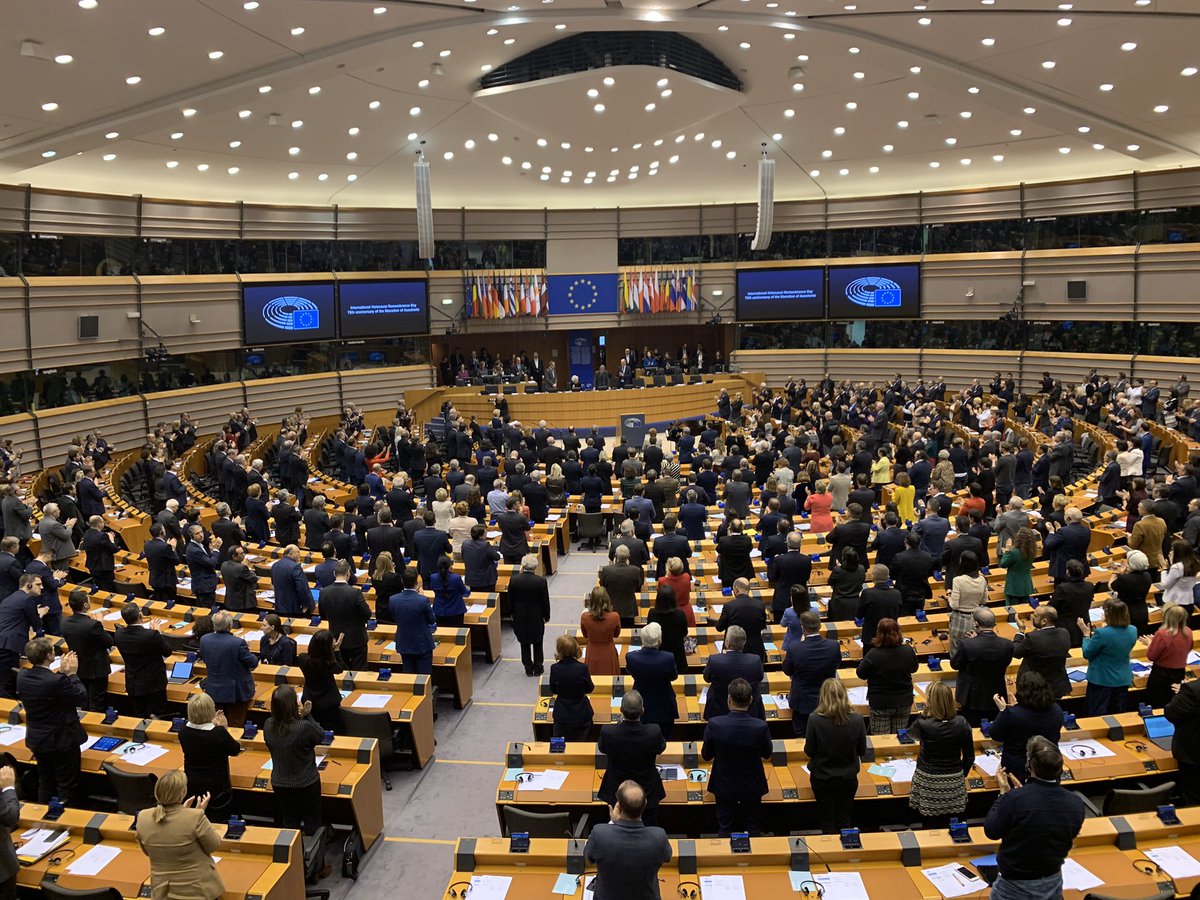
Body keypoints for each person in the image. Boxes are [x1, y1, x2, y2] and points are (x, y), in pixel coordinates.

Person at [984, 737, 1085, 900]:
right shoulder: (1076, 803)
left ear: (1030, 765)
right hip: (1052, 884)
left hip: (1013, 887)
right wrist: (1022, 796)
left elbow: (991, 831)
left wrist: (1004, 795)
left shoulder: (1014, 800)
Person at [135, 769, 225, 900]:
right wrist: (196, 814)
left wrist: (187, 813)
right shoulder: (196, 817)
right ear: (182, 792)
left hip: (163, 892)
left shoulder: (143, 817)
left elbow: (148, 851)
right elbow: (213, 845)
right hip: (198, 891)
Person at [17, 637, 87, 803]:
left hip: (38, 738)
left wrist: (63, 674)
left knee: (46, 781)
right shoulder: (56, 681)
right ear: (49, 656)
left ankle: (44, 813)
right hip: (61, 740)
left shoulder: (22, 676)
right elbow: (80, 696)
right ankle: (63, 815)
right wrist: (71, 674)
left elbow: (51, 688)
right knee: (66, 783)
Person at [701, 677, 773, 836]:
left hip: (724, 784)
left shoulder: (715, 724)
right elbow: (767, 754)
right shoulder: (760, 726)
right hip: (752, 784)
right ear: (751, 700)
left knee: (725, 827)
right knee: (753, 827)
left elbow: (706, 756)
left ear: (729, 699)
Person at [583, 780, 672, 900]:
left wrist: (613, 822)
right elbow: (667, 857)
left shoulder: (600, 834)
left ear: (618, 806)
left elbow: (588, 858)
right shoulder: (659, 837)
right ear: (645, 803)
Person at [804, 678, 866, 834]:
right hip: (848, 778)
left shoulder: (814, 719)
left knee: (827, 820)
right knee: (845, 818)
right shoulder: (857, 719)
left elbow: (809, 751)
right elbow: (862, 750)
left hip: (822, 778)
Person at [907, 681, 973, 825]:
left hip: (928, 779)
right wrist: (961, 774)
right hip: (954, 778)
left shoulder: (923, 723)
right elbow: (969, 757)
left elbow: (911, 735)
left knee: (930, 825)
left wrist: (924, 714)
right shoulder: (962, 722)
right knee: (954, 821)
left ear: (930, 701)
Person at [597, 691, 667, 825]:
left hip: (616, 792)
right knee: (648, 827)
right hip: (647, 791)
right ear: (642, 711)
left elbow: (602, 748)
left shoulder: (609, 732)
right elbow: (661, 748)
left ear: (621, 710)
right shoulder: (653, 732)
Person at [263, 685, 325, 835]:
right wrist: (307, 715)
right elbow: (320, 735)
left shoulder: (267, 725)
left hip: (280, 782)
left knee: (289, 821)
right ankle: (314, 849)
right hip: (306, 782)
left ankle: (292, 849)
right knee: (312, 821)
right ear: (292, 705)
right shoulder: (303, 727)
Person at [178, 692, 242, 823]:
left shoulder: (183, 732)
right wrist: (223, 728)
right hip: (218, 790)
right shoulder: (218, 733)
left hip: (192, 786)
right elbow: (235, 749)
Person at [988, 671, 1063, 782]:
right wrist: (1014, 708)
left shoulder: (1012, 715)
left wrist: (1003, 711)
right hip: (1049, 766)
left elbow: (995, 734)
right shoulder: (1056, 710)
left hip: (1018, 771)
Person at [949, 607, 1014, 726]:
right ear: (994, 624)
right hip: (996, 696)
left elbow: (955, 665)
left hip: (972, 697)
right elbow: (1006, 662)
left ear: (976, 624)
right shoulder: (1007, 644)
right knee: (995, 727)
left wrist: (973, 641)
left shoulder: (967, 644)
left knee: (972, 729)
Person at [856, 618, 918, 734]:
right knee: (898, 738)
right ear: (898, 633)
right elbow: (914, 669)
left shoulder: (873, 654)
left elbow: (861, 674)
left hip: (881, 704)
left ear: (879, 634)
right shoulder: (908, 650)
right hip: (903, 702)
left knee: (881, 739)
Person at [198, 611, 259, 727]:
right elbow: (253, 663)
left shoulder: (204, 640)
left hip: (213, 691)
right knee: (234, 726)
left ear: (214, 625)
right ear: (230, 625)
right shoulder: (238, 643)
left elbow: (205, 658)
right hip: (236, 693)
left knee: (216, 724)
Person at [1080, 598, 1137, 715]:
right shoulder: (1132, 630)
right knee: (1119, 714)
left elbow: (1087, 653)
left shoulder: (1101, 633)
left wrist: (1086, 635)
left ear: (1107, 614)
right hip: (1122, 679)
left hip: (1102, 680)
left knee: (1098, 715)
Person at [115, 604, 171, 718]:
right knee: (157, 717)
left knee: (140, 718)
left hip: (133, 684)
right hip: (154, 685)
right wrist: (158, 632)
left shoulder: (118, 634)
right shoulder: (151, 635)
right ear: (140, 615)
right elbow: (167, 652)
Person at [60, 588, 113, 711]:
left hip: (78, 666)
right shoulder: (93, 625)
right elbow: (109, 642)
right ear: (85, 605)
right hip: (96, 669)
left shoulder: (65, 622)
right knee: (96, 702)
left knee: (83, 699)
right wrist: (100, 623)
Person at [626, 623, 679, 741]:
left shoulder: (631, 657)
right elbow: (674, 677)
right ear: (659, 640)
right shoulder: (668, 658)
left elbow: (630, 672)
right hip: (664, 703)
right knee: (665, 737)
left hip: (641, 703)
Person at [317, 560, 372, 669]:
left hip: (335, 638)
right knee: (358, 672)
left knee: (340, 670)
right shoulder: (355, 592)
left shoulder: (324, 592)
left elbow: (322, 615)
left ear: (334, 574)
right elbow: (367, 614)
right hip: (357, 639)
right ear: (348, 573)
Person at [703, 625, 765, 720]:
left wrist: (722, 656)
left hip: (719, 710)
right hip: (749, 710)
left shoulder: (715, 660)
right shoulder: (755, 660)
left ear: (727, 643)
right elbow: (760, 678)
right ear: (744, 643)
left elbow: (706, 678)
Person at [1012, 606, 1072, 698]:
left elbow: (1016, 652)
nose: (1032, 617)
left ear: (1044, 621)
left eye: (1035, 616)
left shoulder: (1032, 638)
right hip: (1056, 686)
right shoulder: (1065, 633)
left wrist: (1021, 631)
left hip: (1034, 689)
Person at [1142, 603, 1192, 707]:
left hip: (1161, 675)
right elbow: (1188, 648)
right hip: (1179, 673)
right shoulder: (1189, 632)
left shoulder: (1162, 634)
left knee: (1157, 704)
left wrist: (1150, 643)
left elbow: (1151, 656)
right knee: (1174, 703)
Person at [389, 567, 437, 675]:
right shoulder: (423, 600)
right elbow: (432, 620)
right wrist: (422, 597)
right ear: (416, 582)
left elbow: (394, 617)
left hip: (404, 642)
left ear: (402, 582)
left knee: (408, 675)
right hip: (422, 643)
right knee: (424, 676)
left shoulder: (393, 600)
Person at [509, 554, 550, 676]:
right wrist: (546, 616)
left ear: (523, 565)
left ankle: (528, 668)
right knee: (538, 642)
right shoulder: (540, 581)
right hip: (536, 614)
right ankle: (538, 668)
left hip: (520, 614)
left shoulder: (514, 580)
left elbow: (510, 599)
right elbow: (545, 601)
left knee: (524, 642)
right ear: (535, 566)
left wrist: (512, 613)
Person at [297, 629, 345, 732]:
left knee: (312, 729)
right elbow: (340, 668)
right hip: (329, 703)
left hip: (309, 700)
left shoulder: (302, 658)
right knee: (329, 731)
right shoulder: (329, 664)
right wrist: (336, 650)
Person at [550, 635, 594, 741]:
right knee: (584, 744)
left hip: (562, 715)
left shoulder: (554, 668)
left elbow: (553, 689)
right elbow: (590, 688)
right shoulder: (582, 668)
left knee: (559, 746)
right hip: (581, 713)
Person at [1166, 675, 1200, 805]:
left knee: (1193, 800)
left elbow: (1171, 712)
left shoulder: (1193, 689)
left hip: (1193, 754)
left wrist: (1181, 695)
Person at [1048, 558, 1096, 648]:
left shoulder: (1062, 588)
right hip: (1084, 625)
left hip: (1066, 627)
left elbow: (1051, 606)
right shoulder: (1089, 586)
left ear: (1068, 572)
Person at [716, 577, 768, 660]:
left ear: (736, 590)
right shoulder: (760, 605)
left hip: (734, 651)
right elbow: (762, 626)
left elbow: (719, 628)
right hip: (755, 650)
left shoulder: (729, 606)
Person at [768, 532, 812, 625]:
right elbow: (807, 577)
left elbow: (772, 577)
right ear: (800, 544)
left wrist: (772, 563)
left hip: (782, 599)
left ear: (787, 543)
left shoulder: (779, 560)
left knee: (779, 627)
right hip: (801, 600)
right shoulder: (807, 560)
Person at [1110, 549, 1154, 635]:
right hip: (1142, 611)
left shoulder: (1125, 579)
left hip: (1126, 612)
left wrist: (1115, 572)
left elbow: (1111, 585)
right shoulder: (1147, 576)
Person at [856, 564, 901, 648]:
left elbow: (859, 615)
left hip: (872, 637)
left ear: (873, 577)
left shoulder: (867, 593)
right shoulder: (897, 593)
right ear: (888, 577)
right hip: (891, 636)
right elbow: (899, 613)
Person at [581, 586, 621, 677]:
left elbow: (585, 635)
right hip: (608, 651)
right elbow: (616, 634)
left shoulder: (585, 617)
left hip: (592, 651)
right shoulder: (614, 616)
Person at [599, 544, 643, 627]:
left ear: (615, 556)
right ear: (629, 556)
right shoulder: (636, 570)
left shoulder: (606, 570)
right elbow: (638, 587)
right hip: (629, 609)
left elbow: (602, 586)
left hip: (611, 608)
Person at [648, 584, 688, 674]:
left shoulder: (652, 613)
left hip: (658, 654)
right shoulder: (680, 614)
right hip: (676, 655)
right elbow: (684, 633)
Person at [999, 527, 1037, 606]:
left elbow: (1003, 563)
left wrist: (1007, 551)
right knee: (1024, 609)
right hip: (1026, 586)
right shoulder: (1032, 551)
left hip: (1013, 587)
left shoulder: (1014, 553)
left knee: (1012, 610)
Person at [271, 546, 314, 617]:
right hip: (294, 608)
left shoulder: (275, 565)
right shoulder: (295, 567)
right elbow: (302, 588)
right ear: (291, 554)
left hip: (279, 606)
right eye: (298, 552)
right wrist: (305, 604)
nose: (300, 554)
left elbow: (273, 583)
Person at [826, 548, 866, 622]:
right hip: (856, 602)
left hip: (839, 603)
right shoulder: (861, 569)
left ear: (843, 559)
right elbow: (862, 580)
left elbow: (830, 582)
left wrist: (839, 567)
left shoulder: (838, 570)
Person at [1159, 538, 1199, 611]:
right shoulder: (1194, 564)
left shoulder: (1177, 567)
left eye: (1172, 549)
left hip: (1174, 603)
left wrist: (1164, 569)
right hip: (1188, 601)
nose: (1170, 552)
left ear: (1178, 552)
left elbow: (1165, 585)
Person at [462, 524, 501, 594]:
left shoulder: (465, 543)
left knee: (475, 597)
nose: (486, 535)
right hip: (486, 579)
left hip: (471, 578)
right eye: (485, 533)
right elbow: (497, 557)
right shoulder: (485, 545)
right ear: (481, 536)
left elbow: (463, 557)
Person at [219, 544, 259, 613]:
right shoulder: (242, 568)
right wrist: (247, 566)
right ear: (233, 556)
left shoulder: (224, 564)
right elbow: (254, 578)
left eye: (243, 552)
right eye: (241, 554)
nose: (244, 555)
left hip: (230, 600)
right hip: (242, 601)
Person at [657, 556, 694, 627]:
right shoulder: (687, 577)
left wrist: (666, 575)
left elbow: (660, 595)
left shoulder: (662, 581)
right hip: (686, 611)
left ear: (669, 569)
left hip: (669, 612)